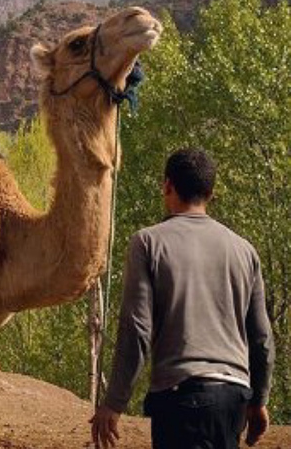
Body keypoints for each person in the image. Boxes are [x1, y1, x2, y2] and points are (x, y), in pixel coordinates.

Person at [91, 148, 275, 449]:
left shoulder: (147, 242)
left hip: (180, 397)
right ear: (211, 193)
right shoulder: (245, 251)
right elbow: (262, 339)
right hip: (233, 400)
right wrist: (258, 401)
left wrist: (114, 403)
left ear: (167, 186)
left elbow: (137, 329)